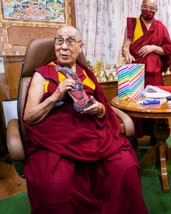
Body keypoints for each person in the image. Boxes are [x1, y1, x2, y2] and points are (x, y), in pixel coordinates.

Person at [22, 26, 148, 214]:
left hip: (93, 135)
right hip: (55, 140)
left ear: (81, 46)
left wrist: (99, 110)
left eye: (70, 41)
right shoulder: (42, 74)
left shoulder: (87, 74)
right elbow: (29, 117)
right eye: (59, 41)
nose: (63, 47)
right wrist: (55, 96)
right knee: (54, 186)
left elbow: (103, 106)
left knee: (125, 167)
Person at [122, 0, 171, 86]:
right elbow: (125, 47)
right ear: (141, 7)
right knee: (136, 97)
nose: (148, 10)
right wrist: (127, 54)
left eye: (152, 8)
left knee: (154, 96)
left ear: (156, 10)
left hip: (154, 71)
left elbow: (168, 50)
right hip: (136, 69)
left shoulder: (160, 26)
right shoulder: (132, 24)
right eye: (145, 7)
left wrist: (153, 48)